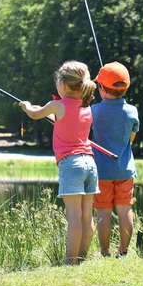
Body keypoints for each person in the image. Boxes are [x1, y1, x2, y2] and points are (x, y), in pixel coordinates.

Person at [19, 60, 98, 265]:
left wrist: (26, 106)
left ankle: (70, 262)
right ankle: (80, 258)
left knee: (73, 216)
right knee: (86, 216)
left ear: (62, 85)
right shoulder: (87, 107)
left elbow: (36, 114)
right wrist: (46, 112)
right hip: (90, 163)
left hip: (71, 165)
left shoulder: (57, 105)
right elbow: (65, 120)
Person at [91, 61, 139, 258]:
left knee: (103, 211)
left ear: (102, 88)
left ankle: (105, 252)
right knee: (125, 208)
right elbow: (131, 139)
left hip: (101, 170)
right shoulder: (132, 111)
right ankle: (124, 251)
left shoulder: (94, 111)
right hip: (125, 169)